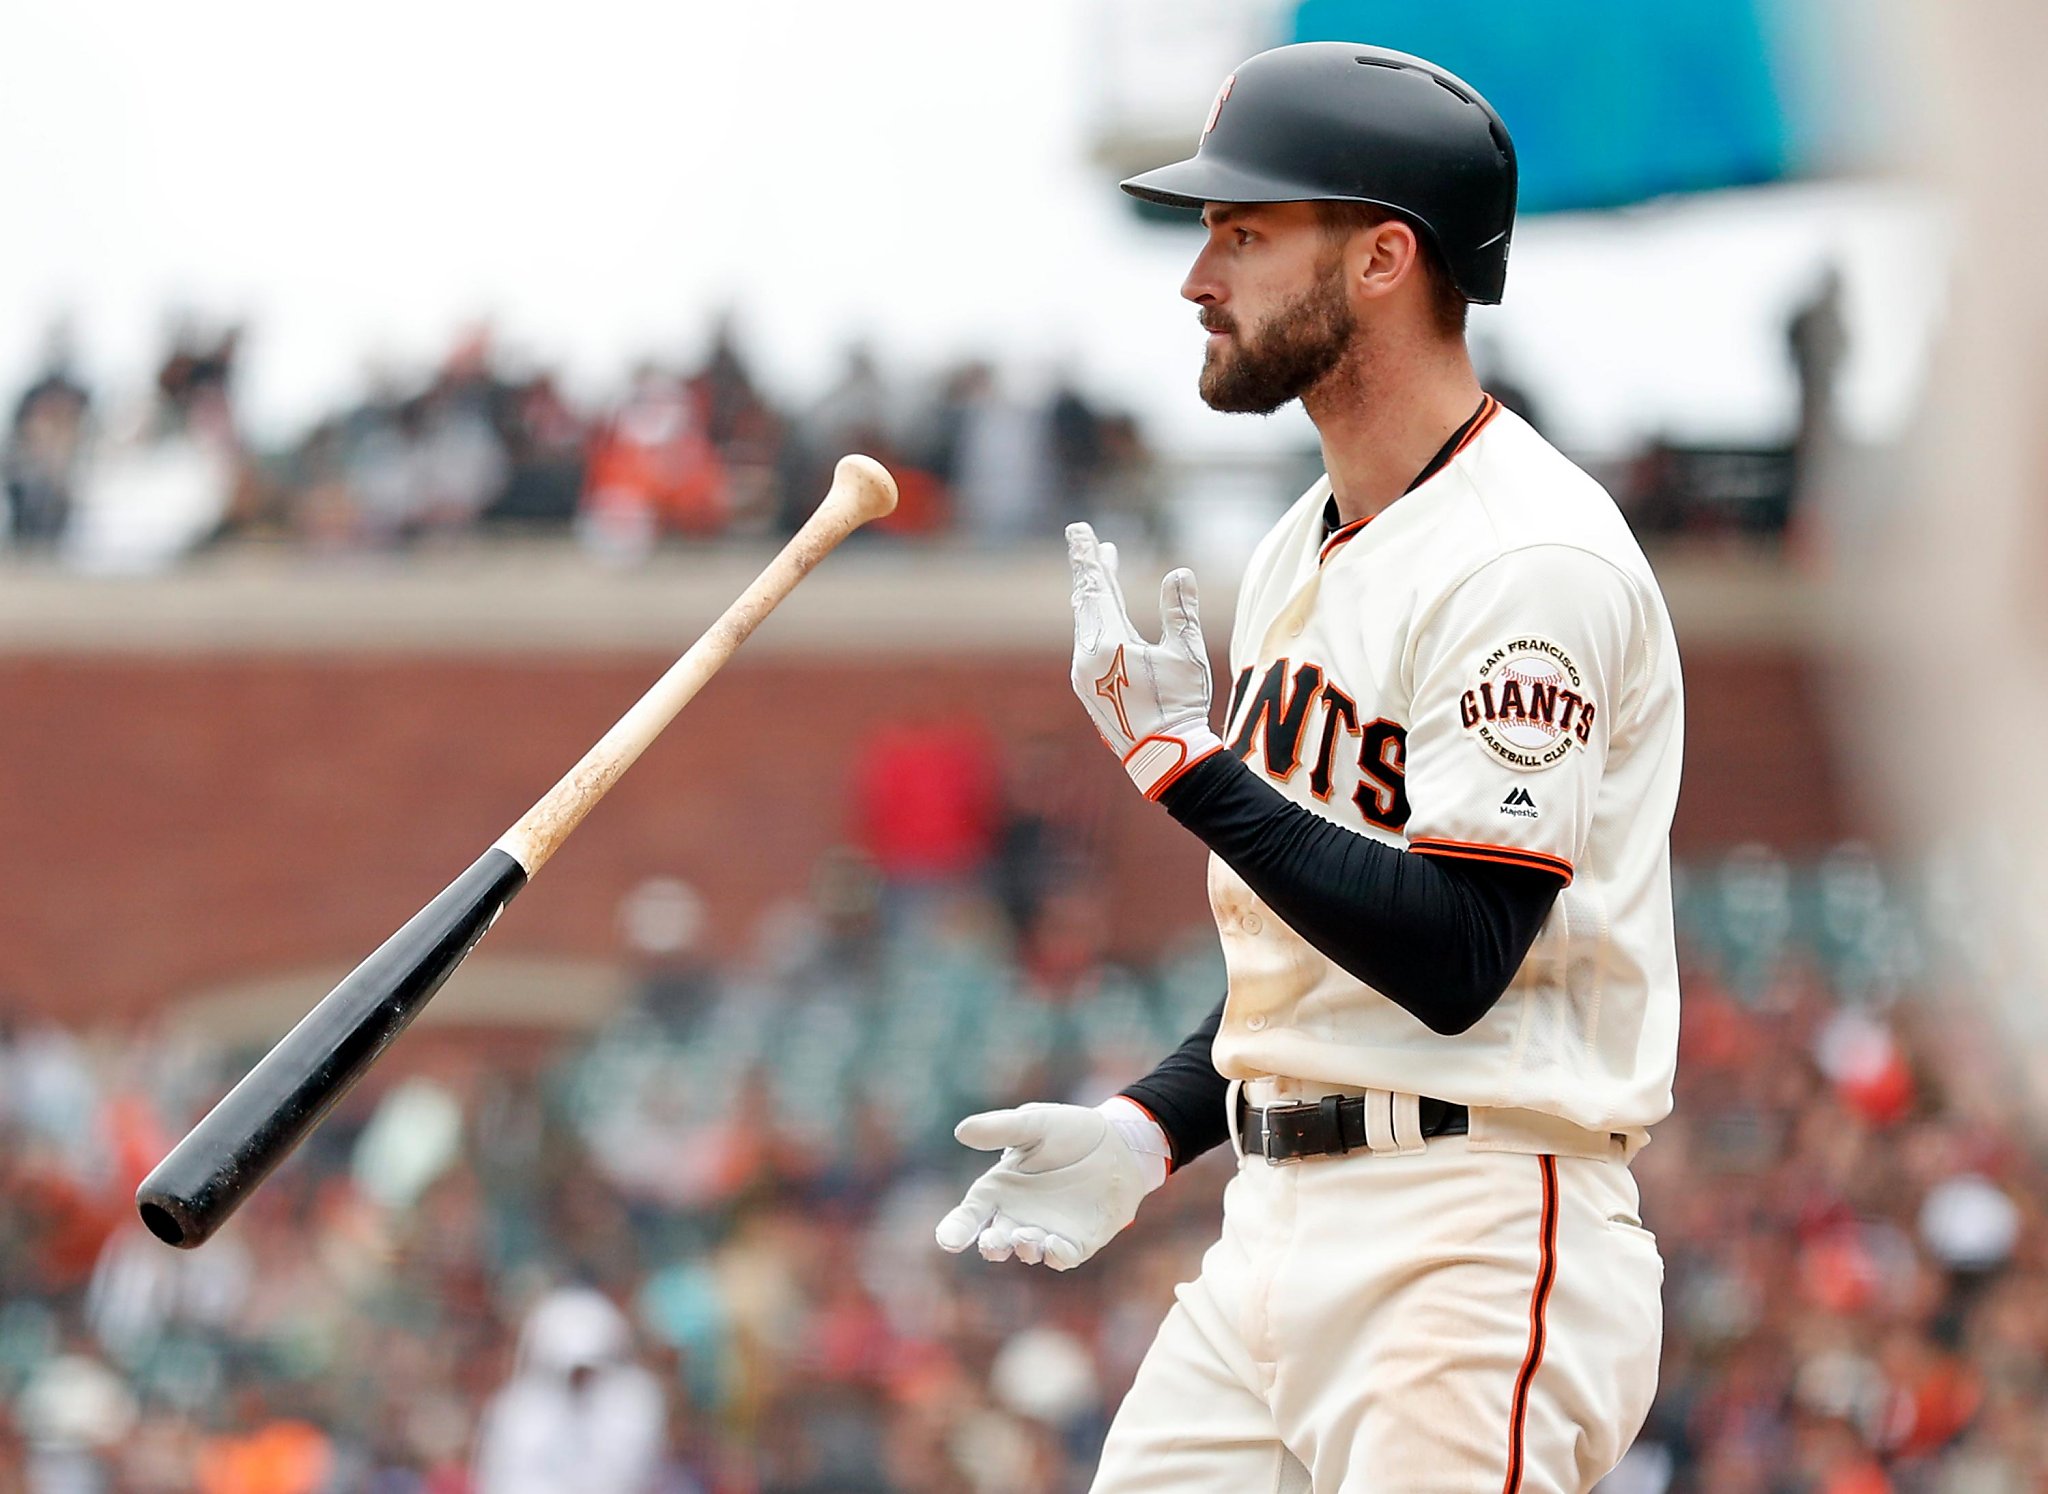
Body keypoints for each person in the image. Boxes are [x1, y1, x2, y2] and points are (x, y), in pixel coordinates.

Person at [936, 42, 1682, 1493]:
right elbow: (1319, 946)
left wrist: (1192, 770)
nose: (1198, 277)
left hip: (1467, 1233)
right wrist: (1154, 1121)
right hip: (1270, 1228)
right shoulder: (1299, 541)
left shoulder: (1524, 554)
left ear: (1384, 255)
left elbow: (1462, 950)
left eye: (1247, 231)